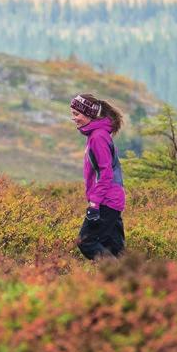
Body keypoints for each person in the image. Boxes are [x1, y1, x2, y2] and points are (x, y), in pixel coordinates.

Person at [71, 92, 126, 260]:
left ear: (89, 114)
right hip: (112, 199)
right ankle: (129, 280)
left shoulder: (98, 137)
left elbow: (105, 173)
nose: (74, 118)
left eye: (76, 114)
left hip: (106, 201)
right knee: (116, 249)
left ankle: (117, 273)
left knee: (86, 242)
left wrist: (94, 203)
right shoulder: (97, 134)